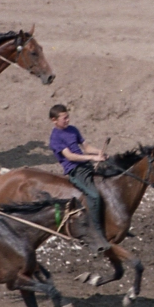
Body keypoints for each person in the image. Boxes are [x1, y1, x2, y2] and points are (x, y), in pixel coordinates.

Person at [49, 104, 112, 253]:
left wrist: (100, 154)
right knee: (94, 195)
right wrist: (92, 158)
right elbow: (70, 156)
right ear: (54, 120)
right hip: (75, 170)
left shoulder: (73, 130)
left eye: (68, 117)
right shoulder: (55, 138)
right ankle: (97, 232)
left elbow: (87, 147)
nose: (67, 120)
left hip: (86, 165)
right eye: (64, 118)